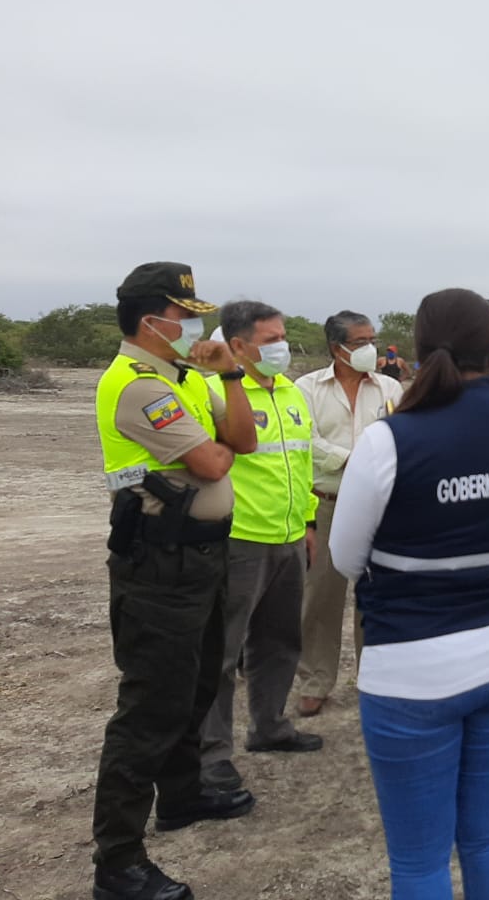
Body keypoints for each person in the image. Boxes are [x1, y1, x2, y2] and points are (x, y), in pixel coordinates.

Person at [329, 288, 489, 900]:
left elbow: (346, 558)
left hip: (414, 666)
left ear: (421, 351)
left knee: (419, 860)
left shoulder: (389, 439)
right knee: (488, 836)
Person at [92, 263, 258, 900]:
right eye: (184, 317)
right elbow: (214, 461)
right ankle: (118, 862)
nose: (195, 328)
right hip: (158, 565)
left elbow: (242, 439)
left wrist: (231, 375)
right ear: (150, 321)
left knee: (198, 681)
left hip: (200, 556)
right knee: (150, 707)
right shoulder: (137, 385)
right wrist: (218, 444)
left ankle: (183, 796)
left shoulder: (181, 379)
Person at [198, 301, 324, 797]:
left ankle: (269, 726)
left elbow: (302, 462)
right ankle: (212, 756)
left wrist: (308, 522)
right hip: (240, 539)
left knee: (280, 642)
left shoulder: (291, 392)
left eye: (282, 337)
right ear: (238, 345)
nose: (281, 347)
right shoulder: (215, 392)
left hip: (289, 535)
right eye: (271, 340)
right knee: (223, 652)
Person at [294, 311, 404, 716]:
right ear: (336, 347)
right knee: (320, 595)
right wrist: (357, 460)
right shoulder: (307, 389)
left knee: (375, 594)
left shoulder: (390, 387)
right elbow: (306, 440)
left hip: (380, 505)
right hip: (327, 501)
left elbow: (401, 433)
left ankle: (374, 678)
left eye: (372, 340)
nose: (370, 349)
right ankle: (315, 679)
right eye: (360, 342)